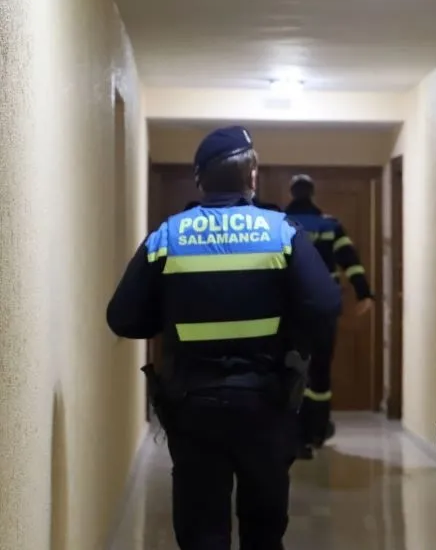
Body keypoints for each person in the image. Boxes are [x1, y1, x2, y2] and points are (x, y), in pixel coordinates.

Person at [106, 125, 342, 550]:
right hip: (265, 404)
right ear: (251, 177)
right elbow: (326, 307)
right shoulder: (281, 231)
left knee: (202, 534)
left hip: (193, 407)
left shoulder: (168, 236)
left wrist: (174, 311)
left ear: (200, 180)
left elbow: (123, 318)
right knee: (264, 531)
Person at [284, 173, 376, 458]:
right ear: (311, 194)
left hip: (288, 310)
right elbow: (350, 260)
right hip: (323, 308)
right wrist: (364, 293)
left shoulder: (277, 224)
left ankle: (292, 434)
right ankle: (317, 431)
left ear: (291, 193)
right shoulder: (330, 224)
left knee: (288, 370)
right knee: (320, 371)